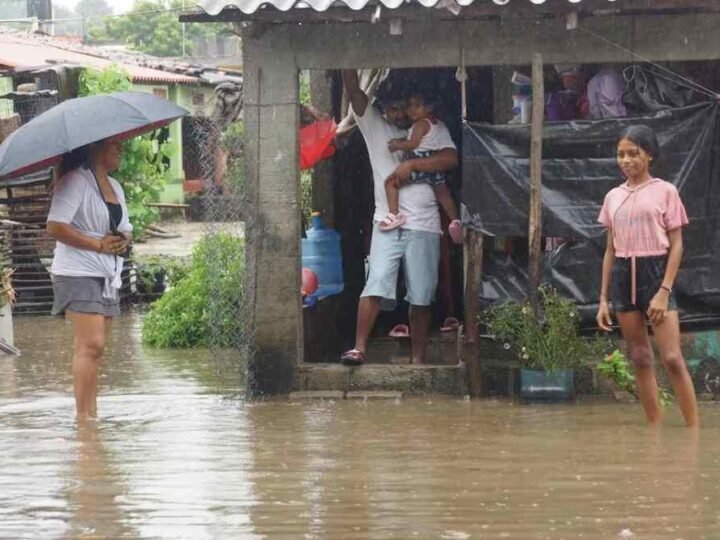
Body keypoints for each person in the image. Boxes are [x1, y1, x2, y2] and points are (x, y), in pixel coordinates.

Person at [339, 70, 458, 366]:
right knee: (375, 284)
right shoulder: (375, 127)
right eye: (394, 107)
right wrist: (345, 61)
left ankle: (418, 359)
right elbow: (354, 93)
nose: (401, 112)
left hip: (425, 225)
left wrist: (414, 164)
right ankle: (359, 349)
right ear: (383, 108)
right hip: (387, 225)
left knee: (421, 296)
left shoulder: (432, 129)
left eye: (405, 107)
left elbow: (450, 159)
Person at [596, 125, 698, 427]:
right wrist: (603, 299)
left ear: (649, 155)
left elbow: (677, 244)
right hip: (623, 276)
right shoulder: (613, 196)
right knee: (640, 357)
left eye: (633, 153)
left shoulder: (666, 191)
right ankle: (654, 429)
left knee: (671, 358)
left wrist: (664, 290)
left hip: (656, 273)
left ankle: (693, 431)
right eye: (621, 154)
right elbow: (610, 250)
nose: (626, 160)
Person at [46, 137, 132, 419]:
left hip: (108, 272)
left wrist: (123, 240)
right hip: (77, 271)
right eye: (115, 145)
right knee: (91, 344)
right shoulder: (75, 181)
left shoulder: (115, 186)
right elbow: (56, 226)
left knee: (98, 349)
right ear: (96, 148)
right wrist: (97, 245)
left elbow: (125, 227)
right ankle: (83, 419)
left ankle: (91, 415)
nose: (121, 150)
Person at [381, 92, 462, 244]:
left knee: (390, 183)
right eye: (409, 106)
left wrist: (398, 145)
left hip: (418, 162)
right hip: (434, 166)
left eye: (416, 106)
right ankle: (455, 220)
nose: (411, 110)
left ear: (429, 107)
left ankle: (393, 215)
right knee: (442, 192)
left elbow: (413, 144)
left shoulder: (420, 124)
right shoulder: (436, 124)